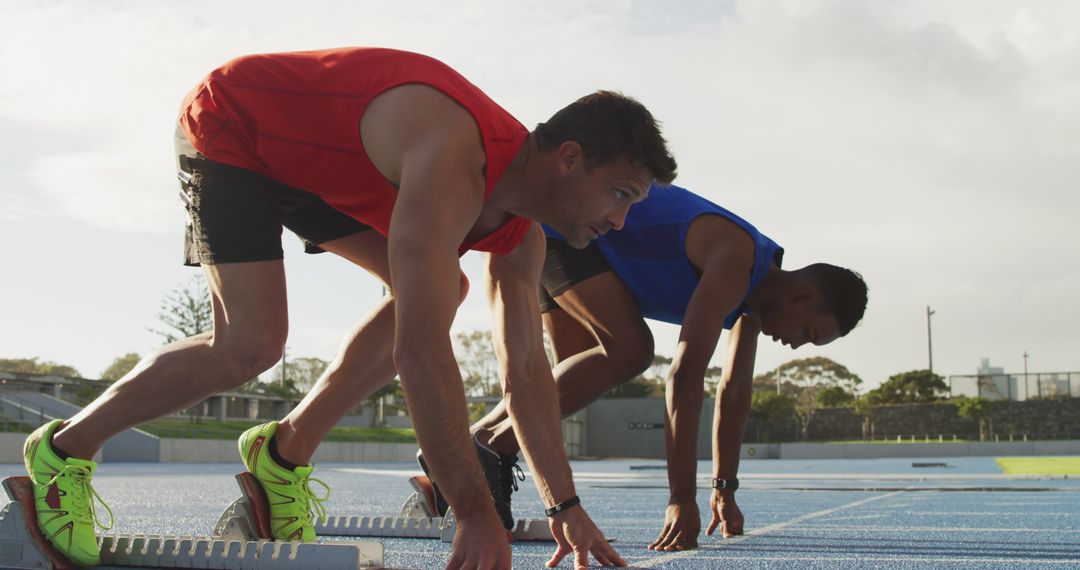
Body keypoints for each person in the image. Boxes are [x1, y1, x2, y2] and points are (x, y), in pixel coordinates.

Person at [21, 47, 676, 569]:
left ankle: (283, 453)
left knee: (442, 288)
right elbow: (419, 350)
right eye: (620, 194)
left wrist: (564, 502)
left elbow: (526, 374)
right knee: (250, 344)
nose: (619, 221)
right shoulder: (455, 157)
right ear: (568, 160)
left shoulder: (521, 235)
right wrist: (473, 510)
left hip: (319, 167)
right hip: (236, 126)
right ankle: (61, 452)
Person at [467, 183, 868, 551]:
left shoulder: (755, 299)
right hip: (572, 225)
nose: (797, 344)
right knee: (631, 351)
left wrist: (724, 489)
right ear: (800, 296)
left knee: (575, 378)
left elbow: (734, 391)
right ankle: (489, 449)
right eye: (808, 333)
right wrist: (680, 499)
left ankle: (468, 451)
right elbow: (686, 375)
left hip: (589, 250)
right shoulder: (737, 259)